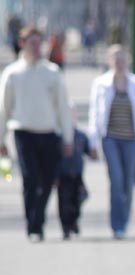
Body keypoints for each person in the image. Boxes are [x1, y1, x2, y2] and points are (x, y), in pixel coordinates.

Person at [0, 25, 75, 243]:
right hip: (23, 132)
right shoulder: (13, 73)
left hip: (48, 132)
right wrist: (1, 138)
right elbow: (4, 108)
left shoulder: (52, 72)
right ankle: (34, 226)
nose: (35, 47)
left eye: (38, 43)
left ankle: (37, 218)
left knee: (48, 180)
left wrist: (68, 138)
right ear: (22, 44)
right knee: (31, 179)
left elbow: (62, 107)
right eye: (31, 43)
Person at [88, 44, 135, 240]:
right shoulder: (101, 83)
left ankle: (124, 220)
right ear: (110, 61)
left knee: (128, 183)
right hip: (111, 139)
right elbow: (94, 113)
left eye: (123, 59)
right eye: (116, 59)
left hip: (131, 140)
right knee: (116, 181)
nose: (120, 63)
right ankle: (117, 225)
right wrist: (92, 142)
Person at [56, 119, 96, 240]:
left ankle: (74, 221)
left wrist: (93, 152)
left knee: (78, 199)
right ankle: (65, 227)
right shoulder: (58, 137)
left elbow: (89, 151)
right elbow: (52, 158)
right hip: (63, 176)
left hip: (77, 175)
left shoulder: (81, 136)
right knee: (64, 203)